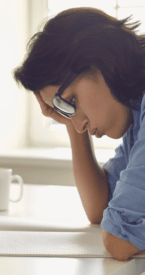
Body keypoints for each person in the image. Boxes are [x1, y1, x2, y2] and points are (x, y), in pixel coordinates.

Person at [13, 7, 145, 261]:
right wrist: (70, 126)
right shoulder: (135, 112)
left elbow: (120, 240)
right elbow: (99, 208)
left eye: (71, 101)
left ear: (100, 61)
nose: (80, 124)